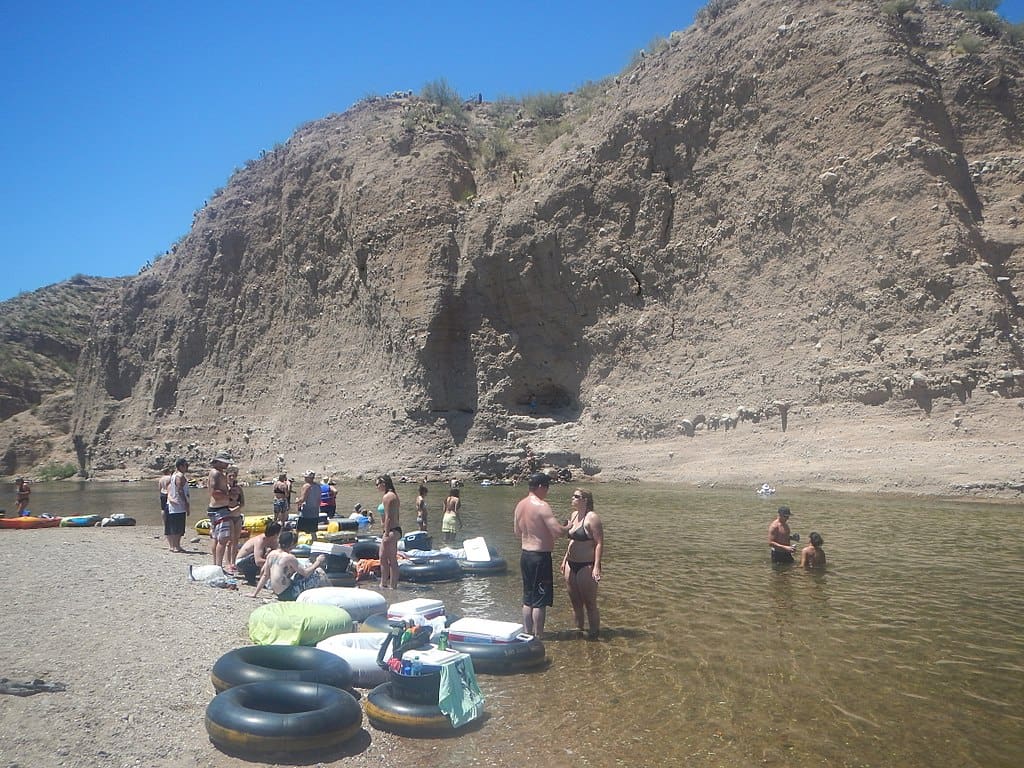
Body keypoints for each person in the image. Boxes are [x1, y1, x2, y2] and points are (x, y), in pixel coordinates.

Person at [513, 473, 568, 637]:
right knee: (539, 601)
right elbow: (557, 531)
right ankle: (539, 636)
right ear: (541, 487)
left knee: (528, 598)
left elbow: (517, 532)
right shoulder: (542, 505)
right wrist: (568, 527)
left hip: (525, 555)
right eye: (547, 488)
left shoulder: (519, 505)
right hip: (540, 557)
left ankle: (527, 633)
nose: (547, 492)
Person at [561, 488, 604, 639]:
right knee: (575, 602)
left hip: (587, 565)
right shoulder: (574, 515)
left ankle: (594, 634)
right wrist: (565, 558)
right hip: (571, 564)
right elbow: (572, 539)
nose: (572, 498)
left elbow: (599, 543)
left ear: (585, 500)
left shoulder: (592, 518)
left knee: (590, 603)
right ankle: (578, 633)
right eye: (573, 495)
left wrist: (597, 566)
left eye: (576, 496)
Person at [250, 531, 327, 600]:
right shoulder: (289, 557)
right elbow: (305, 573)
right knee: (318, 573)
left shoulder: (271, 554)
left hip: (279, 593)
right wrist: (317, 562)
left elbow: (265, 575)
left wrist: (255, 593)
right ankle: (328, 593)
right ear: (291, 544)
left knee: (297, 574)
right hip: (289, 593)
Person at [207, 452, 234, 571]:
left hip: (217, 508)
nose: (227, 465)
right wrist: (229, 496)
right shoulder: (216, 473)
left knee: (216, 538)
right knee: (222, 539)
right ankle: (218, 566)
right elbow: (214, 492)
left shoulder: (218, 473)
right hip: (220, 509)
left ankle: (216, 564)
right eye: (225, 462)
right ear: (218, 461)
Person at [236, 521, 282, 585]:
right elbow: (258, 561)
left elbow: (279, 553)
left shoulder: (273, 541)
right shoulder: (260, 540)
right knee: (254, 558)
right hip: (241, 562)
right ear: (276, 534)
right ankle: (251, 579)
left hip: (254, 563)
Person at [376, 474, 401, 589]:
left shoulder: (387, 497)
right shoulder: (394, 495)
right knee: (386, 557)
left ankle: (387, 585)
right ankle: (389, 585)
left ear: (384, 484)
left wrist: (386, 533)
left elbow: (388, 517)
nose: (377, 487)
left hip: (390, 530)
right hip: (395, 530)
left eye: (378, 484)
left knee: (387, 558)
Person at [165, 457, 191, 552]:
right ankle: (176, 546)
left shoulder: (173, 475)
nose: (187, 468)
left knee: (173, 525)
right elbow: (180, 490)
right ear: (181, 466)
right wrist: (185, 503)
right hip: (178, 504)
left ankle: (173, 545)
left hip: (173, 504)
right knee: (178, 526)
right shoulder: (179, 476)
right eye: (186, 466)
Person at [226, 466, 245, 567]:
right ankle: (228, 563)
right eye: (230, 476)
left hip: (237, 516)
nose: (232, 478)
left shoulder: (239, 489)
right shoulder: (224, 488)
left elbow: (242, 503)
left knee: (236, 540)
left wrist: (235, 509)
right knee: (229, 541)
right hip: (228, 516)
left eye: (234, 476)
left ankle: (234, 562)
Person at [297, 471, 320, 544]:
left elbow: (303, 499)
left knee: (298, 530)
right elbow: (319, 500)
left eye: (305, 477)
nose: (304, 478)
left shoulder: (306, 486)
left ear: (308, 478)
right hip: (315, 511)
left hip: (306, 512)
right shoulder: (318, 486)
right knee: (313, 531)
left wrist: (297, 501)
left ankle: (293, 544)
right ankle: (315, 545)